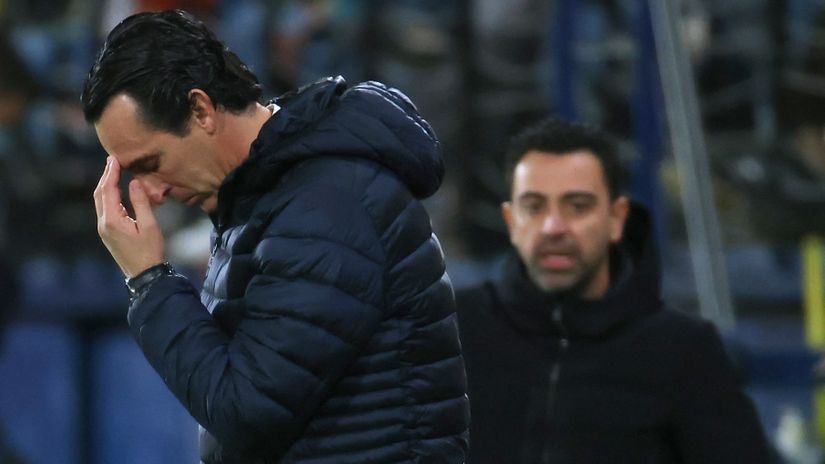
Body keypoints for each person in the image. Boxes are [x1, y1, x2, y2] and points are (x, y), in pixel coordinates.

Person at [81, 10, 469, 463]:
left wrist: (149, 280)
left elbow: (247, 412)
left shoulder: (326, 205)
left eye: (150, 164)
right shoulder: (268, 196)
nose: (152, 192)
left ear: (201, 110)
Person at [455, 118, 772, 463]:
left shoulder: (684, 350)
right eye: (534, 206)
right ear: (511, 221)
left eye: (578, 206)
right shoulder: (453, 333)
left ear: (617, 217)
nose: (553, 227)